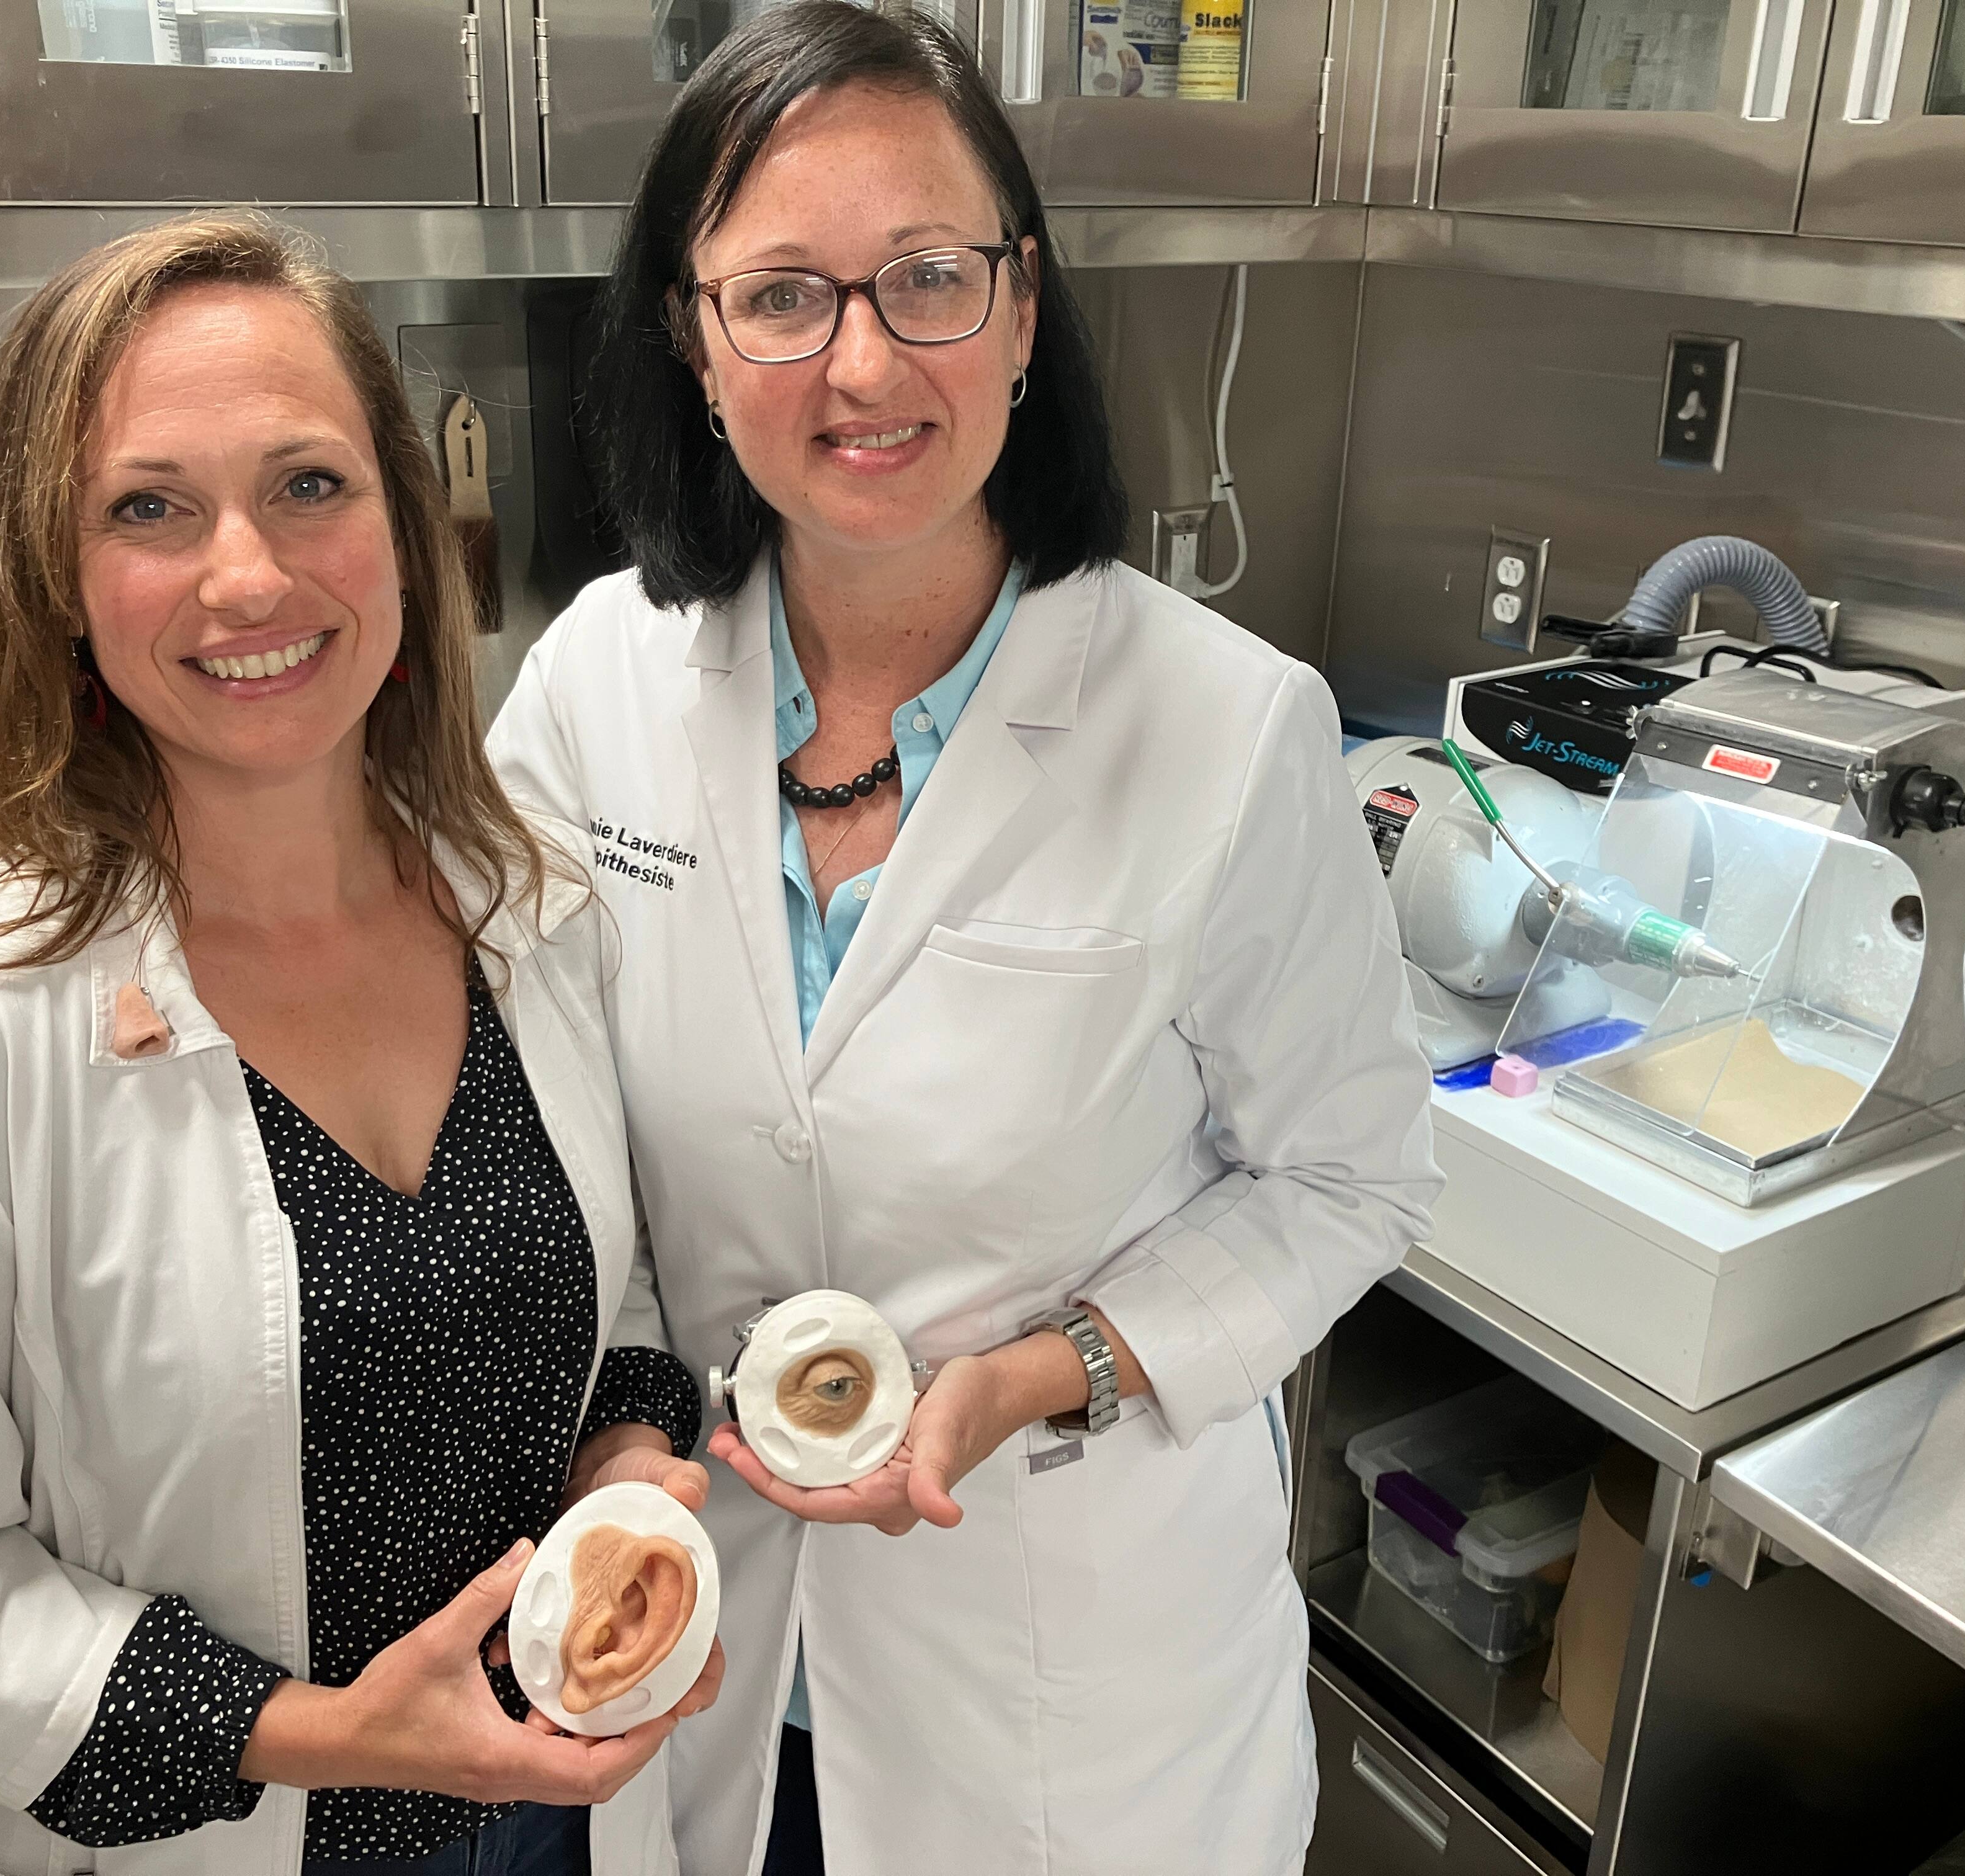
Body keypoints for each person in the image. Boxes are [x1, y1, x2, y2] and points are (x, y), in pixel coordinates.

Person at [486, 9, 1440, 1874]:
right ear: (693, 338)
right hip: (706, 1650)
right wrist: (620, 1428)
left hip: (1071, 1704)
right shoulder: (595, 684)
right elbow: (514, 1115)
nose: (863, 362)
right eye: (782, 296)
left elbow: (1350, 1175)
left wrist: (1040, 1374)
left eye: (929, 277)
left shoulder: (1228, 726)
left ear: (1020, 309)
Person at [0, 217, 721, 1876]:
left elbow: (613, 1297)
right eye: (149, 508)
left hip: (560, 1829)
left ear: (402, 528)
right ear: (58, 582)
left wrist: (630, 1472)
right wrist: (328, 1736)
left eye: (308, 485)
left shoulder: (536, 914)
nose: (250, 577)